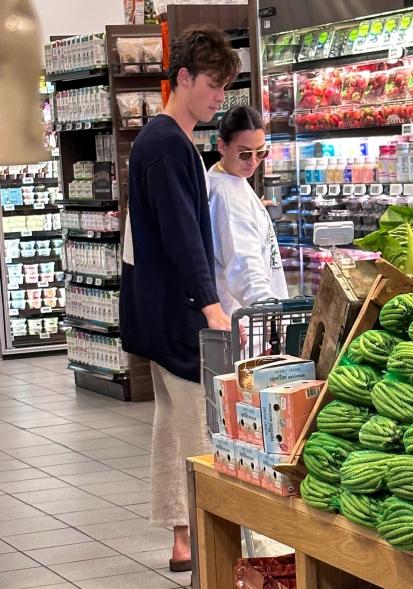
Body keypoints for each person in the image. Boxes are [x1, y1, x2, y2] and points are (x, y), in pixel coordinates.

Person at [120, 26, 240, 572]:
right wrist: (209, 302)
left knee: (172, 425)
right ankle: (211, 540)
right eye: (213, 85)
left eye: (225, 88)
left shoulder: (159, 140)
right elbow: (180, 234)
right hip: (177, 312)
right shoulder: (168, 145)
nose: (219, 98)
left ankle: (183, 539)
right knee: (199, 427)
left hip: (155, 308)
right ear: (183, 78)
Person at [208, 106, 288, 337]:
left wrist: (255, 211)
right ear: (222, 146)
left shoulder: (230, 179)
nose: (253, 161)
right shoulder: (228, 197)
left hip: (252, 323)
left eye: (260, 153)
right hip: (249, 331)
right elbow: (244, 267)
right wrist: (273, 316)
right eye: (244, 153)